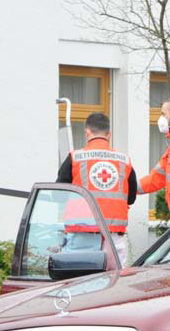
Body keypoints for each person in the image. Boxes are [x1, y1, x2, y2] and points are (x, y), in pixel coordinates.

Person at [56, 112, 136, 264]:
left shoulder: (75, 158)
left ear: (87, 133)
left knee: (80, 283)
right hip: (114, 236)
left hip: (82, 234)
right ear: (109, 134)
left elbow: (58, 194)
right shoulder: (124, 161)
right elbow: (131, 198)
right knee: (115, 284)